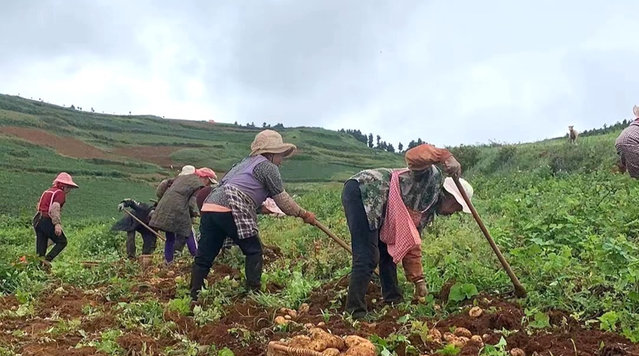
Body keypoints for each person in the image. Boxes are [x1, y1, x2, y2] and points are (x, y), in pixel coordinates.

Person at [341, 144, 472, 317]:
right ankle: (355, 312)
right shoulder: (431, 179)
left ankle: (393, 299)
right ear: (451, 198)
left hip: (380, 207)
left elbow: (412, 243)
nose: (454, 212)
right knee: (367, 256)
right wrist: (445, 156)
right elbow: (413, 156)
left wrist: (419, 281)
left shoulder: (426, 211)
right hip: (364, 191)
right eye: (456, 208)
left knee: (389, 252)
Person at [190, 130, 317, 299]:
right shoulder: (267, 167)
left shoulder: (242, 164)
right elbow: (283, 200)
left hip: (210, 206)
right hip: (230, 206)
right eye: (280, 156)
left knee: (204, 256)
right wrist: (304, 214)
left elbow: (239, 190)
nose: (281, 161)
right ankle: (253, 294)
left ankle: (194, 295)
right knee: (253, 250)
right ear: (271, 153)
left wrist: (260, 208)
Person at [150, 169, 203, 263]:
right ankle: (196, 257)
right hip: (180, 211)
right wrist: (192, 213)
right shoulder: (192, 184)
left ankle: (168, 261)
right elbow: (191, 204)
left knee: (169, 237)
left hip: (165, 209)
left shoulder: (173, 182)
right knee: (189, 233)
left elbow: (159, 193)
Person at [33, 173, 79, 264]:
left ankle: (38, 266)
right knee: (62, 241)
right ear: (63, 186)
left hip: (38, 220)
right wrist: (57, 224)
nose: (69, 190)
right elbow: (55, 208)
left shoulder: (48, 191)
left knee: (41, 249)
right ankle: (47, 260)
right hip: (47, 220)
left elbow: (39, 205)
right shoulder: (60, 193)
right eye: (68, 187)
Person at [616, 106, 639, 179]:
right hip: (632, 140)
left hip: (620, 140)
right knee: (636, 174)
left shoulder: (635, 122)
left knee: (632, 170)